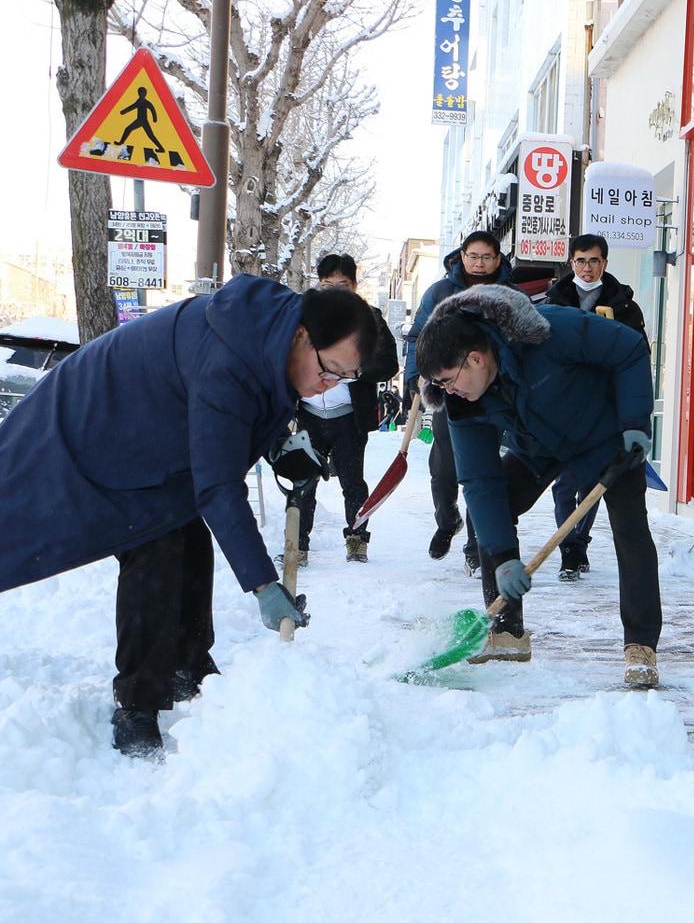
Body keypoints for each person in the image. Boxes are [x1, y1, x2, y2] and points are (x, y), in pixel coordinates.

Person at [0, 275, 378, 758]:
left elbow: (244, 412)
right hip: (88, 431)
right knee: (155, 543)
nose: (329, 387)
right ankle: (138, 703)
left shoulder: (271, 334)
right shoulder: (230, 360)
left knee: (187, 536)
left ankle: (187, 666)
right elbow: (218, 485)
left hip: (148, 439)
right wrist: (263, 585)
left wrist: (277, 444)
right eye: (330, 371)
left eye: (344, 378)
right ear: (303, 335)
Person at [415, 283, 663, 687]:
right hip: (538, 446)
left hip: (604, 437)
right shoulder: (462, 402)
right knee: (491, 512)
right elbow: (479, 480)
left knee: (630, 529)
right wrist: (504, 556)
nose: (447, 392)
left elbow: (629, 349)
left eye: (446, 381)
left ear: (474, 358)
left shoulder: (551, 331)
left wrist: (635, 422)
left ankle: (641, 645)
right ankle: (506, 632)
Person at [404, 231, 520, 574]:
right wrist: (415, 375)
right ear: (462, 256)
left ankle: (476, 544)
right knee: (443, 469)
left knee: (481, 470)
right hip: (449, 392)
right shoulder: (440, 292)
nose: (479, 263)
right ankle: (447, 519)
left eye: (487, 257)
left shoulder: (508, 294)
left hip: (494, 396)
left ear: (498, 259)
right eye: (473, 256)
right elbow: (418, 334)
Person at [541, 234, 648, 582]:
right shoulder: (554, 302)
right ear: (571, 263)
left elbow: (639, 356)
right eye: (581, 261)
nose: (587, 268)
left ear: (605, 263)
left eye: (594, 261)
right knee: (562, 485)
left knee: (592, 484)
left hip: (606, 409)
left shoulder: (625, 305)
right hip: (565, 408)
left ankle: (577, 544)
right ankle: (568, 546)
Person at [288, 253, 399, 563]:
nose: (335, 291)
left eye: (342, 284)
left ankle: (357, 540)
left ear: (354, 285)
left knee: (352, 481)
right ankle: (297, 546)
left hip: (348, 417)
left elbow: (388, 363)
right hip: (308, 414)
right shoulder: (300, 316)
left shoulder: (370, 318)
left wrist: (353, 373)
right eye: (327, 285)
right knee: (304, 481)